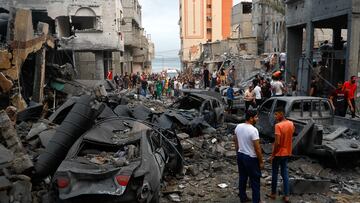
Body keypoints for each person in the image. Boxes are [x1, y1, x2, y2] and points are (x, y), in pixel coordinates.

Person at [234, 110, 264, 203]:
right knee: (255, 180)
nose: (257, 119)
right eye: (256, 117)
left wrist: (238, 151)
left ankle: (243, 198)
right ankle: (256, 200)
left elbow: (235, 140)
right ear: (251, 118)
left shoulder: (238, 126)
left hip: (241, 155)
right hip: (250, 158)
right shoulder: (253, 130)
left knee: (242, 178)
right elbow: (257, 148)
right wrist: (261, 161)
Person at [268, 107, 295, 203]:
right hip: (287, 152)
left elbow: (277, 143)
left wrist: (272, 155)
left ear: (281, 114)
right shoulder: (291, 124)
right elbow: (291, 135)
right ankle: (286, 195)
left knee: (275, 173)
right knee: (285, 174)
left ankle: (273, 194)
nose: (275, 116)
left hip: (279, 153)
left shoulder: (278, 126)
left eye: (276, 114)